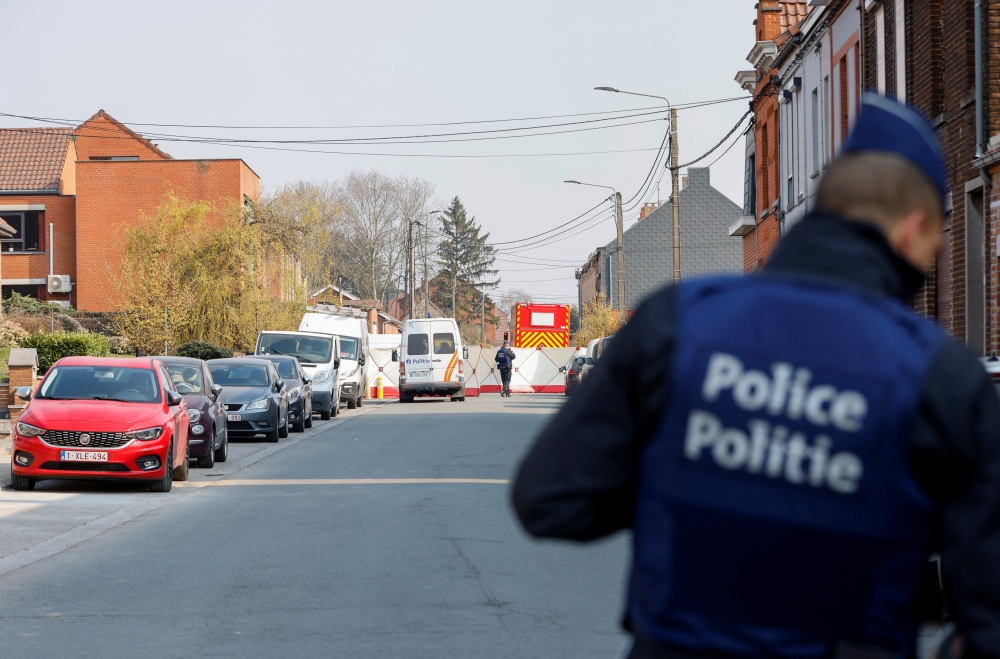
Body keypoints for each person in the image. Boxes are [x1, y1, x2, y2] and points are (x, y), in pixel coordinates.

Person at [512, 94, 1000, 659]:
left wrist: (694, 479)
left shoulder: (677, 323)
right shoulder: (942, 378)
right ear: (914, 229)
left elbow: (548, 498)